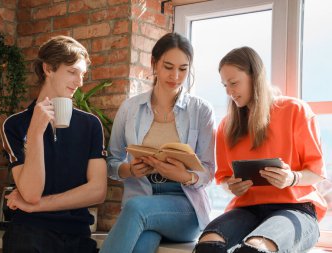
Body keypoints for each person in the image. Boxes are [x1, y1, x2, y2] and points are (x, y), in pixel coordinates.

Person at [194, 46, 327, 253]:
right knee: (207, 247)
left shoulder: (296, 110)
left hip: (296, 209)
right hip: (247, 209)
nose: (229, 92)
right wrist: (233, 187)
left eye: (234, 83)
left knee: (253, 250)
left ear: (254, 77)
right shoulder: (227, 126)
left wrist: (291, 178)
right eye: (225, 85)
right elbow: (224, 180)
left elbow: (316, 174)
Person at [100, 32, 216, 253]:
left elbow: (209, 171)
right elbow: (112, 161)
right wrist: (129, 169)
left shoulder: (201, 110)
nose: (175, 76)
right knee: (141, 244)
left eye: (183, 69)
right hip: (144, 203)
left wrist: (185, 176)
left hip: (185, 207)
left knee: (137, 209)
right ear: (154, 63)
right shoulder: (130, 108)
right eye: (168, 66)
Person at [0, 35, 107, 253]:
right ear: (48, 69)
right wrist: (36, 131)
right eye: (72, 72)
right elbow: (30, 192)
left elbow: (97, 191)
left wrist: (35, 205)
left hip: (78, 236)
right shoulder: (14, 125)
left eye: (82, 74)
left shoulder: (91, 125)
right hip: (30, 234)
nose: (80, 82)